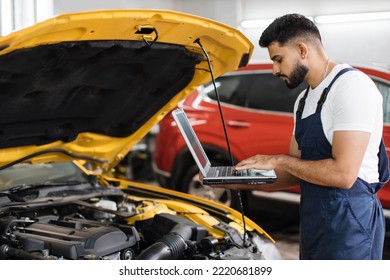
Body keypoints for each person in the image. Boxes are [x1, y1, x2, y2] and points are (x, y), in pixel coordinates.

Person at [213, 14, 390, 259]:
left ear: (302, 49)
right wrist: (235, 180)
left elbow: (344, 174)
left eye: (278, 59)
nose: (274, 70)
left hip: (350, 225)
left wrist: (277, 160)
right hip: (313, 222)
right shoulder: (303, 100)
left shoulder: (351, 87)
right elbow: (295, 171)